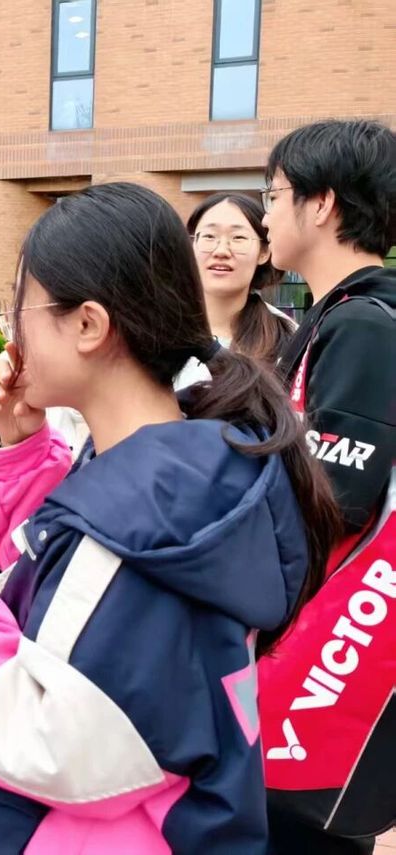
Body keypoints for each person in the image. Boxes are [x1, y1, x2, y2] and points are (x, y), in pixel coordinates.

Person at [0, 183, 340, 853]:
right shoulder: (182, 465)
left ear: (89, 326)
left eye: (19, 306)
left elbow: (42, 739)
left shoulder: (145, 516)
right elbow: (60, 584)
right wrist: (21, 447)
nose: (9, 332)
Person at [254, 119, 396, 854]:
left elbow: (336, 498)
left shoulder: (366, 327)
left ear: (322, 204)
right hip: (309, 648)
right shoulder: (340, 318)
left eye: (273, 194)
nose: (265, 214)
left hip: (325, 656)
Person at [175, 192, 297, 389]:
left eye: (238, 238)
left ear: (264, 252)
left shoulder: (287, 337)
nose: (221, 251)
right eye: (209, 236)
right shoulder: (158, 329)